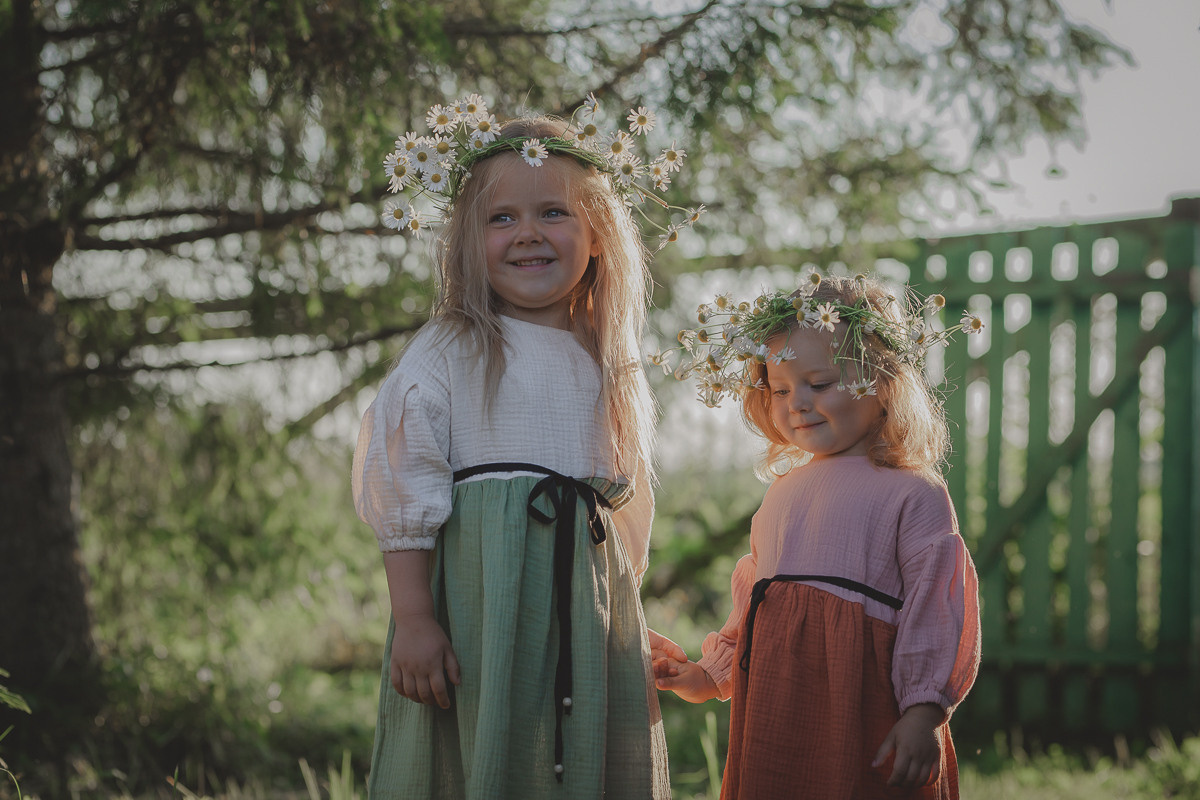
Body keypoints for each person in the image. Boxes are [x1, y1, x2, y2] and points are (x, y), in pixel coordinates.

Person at [353, 98, 692, 799]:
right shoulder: (450, 350)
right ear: (466, 241)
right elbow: (403, 482)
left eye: (553, 213)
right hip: (483, 604)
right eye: (501, 218)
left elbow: (624, 511)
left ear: (597, 233)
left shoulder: (606, 362)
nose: (527, 234)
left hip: (584, 608)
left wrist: (625, 617)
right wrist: (415, 619)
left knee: (584, 762)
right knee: (492, 752)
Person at [652, 274, 982, 798]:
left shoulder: (912, 493)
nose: (797, 403)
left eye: (820, 384)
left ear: (883, 383)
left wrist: (924, 711)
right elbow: (756, 609)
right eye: (780, 389)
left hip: (863, 711)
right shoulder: (782, 495)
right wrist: (709, 675)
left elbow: (937, 609)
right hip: (775, 711)